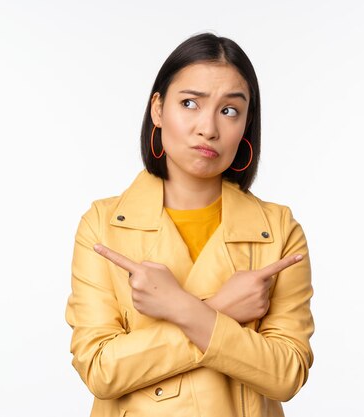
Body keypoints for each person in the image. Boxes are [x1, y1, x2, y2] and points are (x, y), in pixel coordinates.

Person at [65, 32, 314, 417]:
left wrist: (182, 309)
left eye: (230, 110)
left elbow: (287, 375)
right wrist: (220, 308)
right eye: (190, 103)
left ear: (246, 124)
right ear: (158, 110)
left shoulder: (278, 229)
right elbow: (101, 371)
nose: (208, 128)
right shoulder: (103, 225)